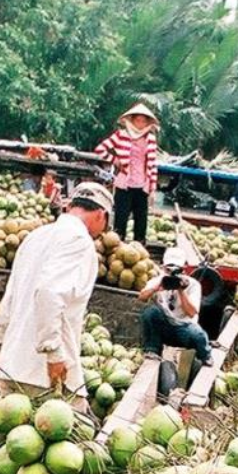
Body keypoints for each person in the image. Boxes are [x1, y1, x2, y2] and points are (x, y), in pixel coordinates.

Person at [0, 182, 112, 474]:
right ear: (99, 214)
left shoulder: (37, 237)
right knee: (67, 455)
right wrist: (53, 351)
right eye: (105, 223)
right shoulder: (79, 242)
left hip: (14, 364)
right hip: (47, 370)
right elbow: (48, 293)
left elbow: (10, 299)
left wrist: (2, 345)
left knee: (23, 456)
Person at [137, 237, 212, 369]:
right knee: (151, 312)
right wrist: (157, 287)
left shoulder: (193, 285)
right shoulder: (160, 280)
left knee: (199, 335)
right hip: (165, 327)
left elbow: (192, 312)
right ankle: (152, 349)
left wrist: (181, 290)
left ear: (184, 269)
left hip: (184, 328)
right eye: (168, 270)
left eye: (177, 270)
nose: (172, 274)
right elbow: (141, 297)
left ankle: (205, 355)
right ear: (163, 267)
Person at [94, 103, 161, 245]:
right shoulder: (121, 135)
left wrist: (152, 188)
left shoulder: (150, 139)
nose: (141, 124)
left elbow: (153, 164)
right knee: (121, 219)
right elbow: (100, 149)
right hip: (124, 184)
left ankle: (139, 248)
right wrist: (115, 160)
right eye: (138, 120)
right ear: (132, 120)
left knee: (141, 220)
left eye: (144, 121)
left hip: (142, 185)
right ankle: (117, 248)